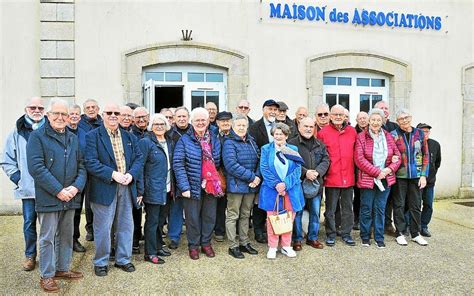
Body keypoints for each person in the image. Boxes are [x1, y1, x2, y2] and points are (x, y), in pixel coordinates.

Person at [26, 98, 87, 293]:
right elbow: (36, 168)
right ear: (48, 115)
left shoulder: (73, 138)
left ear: (69, 117)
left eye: (64, 114)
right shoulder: (37, 137)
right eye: (56, 114)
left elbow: (82, 166)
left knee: (67, 236)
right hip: (49, 197)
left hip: (70, 198)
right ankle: (47, 275)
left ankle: (62, 269)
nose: (60, 117)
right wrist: (58, 190)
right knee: (47, 238)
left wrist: (75, 188)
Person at [85, 103, 144, 276]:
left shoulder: (129, 137)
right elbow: (90, 162)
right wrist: (112, 174)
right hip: (104, 187)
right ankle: (101, 261)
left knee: (126, 225)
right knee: (103, 227)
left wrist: (131, 174)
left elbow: (139, 158)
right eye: (109, 112)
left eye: (116, 113)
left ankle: (123, 259)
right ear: (103, 115)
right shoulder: (92, 136)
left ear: (121, 116)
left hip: (126, 186)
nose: (113, 115)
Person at [1, 97, 46, 271]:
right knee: (29, 223)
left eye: (40, 108)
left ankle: (48, 255)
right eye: (33, 107)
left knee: (49, 225)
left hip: (49, 189)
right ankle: (30, 255)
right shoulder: (16, 132)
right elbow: (6, 159)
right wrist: (19, 178)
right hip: (28, 189)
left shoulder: (51, 129)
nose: (36, 110)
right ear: (26, 109)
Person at [173, 107, 223, 260]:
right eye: (197, 120)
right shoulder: (184, 140)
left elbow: (218, 161)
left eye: (203, 120)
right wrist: (184, 186)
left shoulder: (214, 138)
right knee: (192, 217)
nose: (200, 123)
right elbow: (178, 163)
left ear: (208, 121)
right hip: (192, 185)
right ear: (192, 122)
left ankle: (206, 243)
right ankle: (193, 246)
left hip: (210, 185)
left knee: (209, 216)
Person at [354, 108, 401, 249]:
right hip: (368, 179)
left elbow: (397, 157)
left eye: (378, 120)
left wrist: (388, 170)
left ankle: (379, 237)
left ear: (383, 122)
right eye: (373, 120)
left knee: (380, 208)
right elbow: (359, 159)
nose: (375, 122)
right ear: (369, 121)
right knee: (366, 208)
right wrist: (376, 172)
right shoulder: (361, 137)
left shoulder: (388, 136)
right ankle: (365, 237)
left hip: (385, 178)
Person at [259, 123, 305, 259]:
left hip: (290, 190)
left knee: (289, 218)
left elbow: (297, 169)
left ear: (286, 135)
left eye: (282, 134)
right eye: (276, 134)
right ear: (273, 135)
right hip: (272, 190)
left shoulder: (292, 149)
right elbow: (264, 169)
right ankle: (272, 247)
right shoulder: (266, 149)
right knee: (272, 218)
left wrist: (285, 185)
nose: (279, 136)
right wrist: (277, 185)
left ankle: (286, 246)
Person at [317, 104, 357, 247]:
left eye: (341, 115)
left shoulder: (352, 132)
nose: (338, 117)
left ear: (345, 116)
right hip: (331, 177)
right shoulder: (323, 133)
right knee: (330, 209)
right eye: (335, 115)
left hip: (348, 176)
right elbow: (320, 156)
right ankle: (331, 234)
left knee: (347, 208)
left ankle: (346, 233)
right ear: (330, 116)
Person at [222, 114, 261, 259]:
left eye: (244, 125)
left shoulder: (251, 141)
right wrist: (252, 177)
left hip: (251, 186)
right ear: (233, 126)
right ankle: (233, 246)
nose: (241, 127)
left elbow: (259, 159)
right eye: (238, 125)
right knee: (233, 215)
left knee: (246, 214)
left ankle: (244, 242)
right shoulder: (229, 142)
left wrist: (257, 177)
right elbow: (231, 165)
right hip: (237, 186)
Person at [138, 113, 174, 264]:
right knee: (152, 221)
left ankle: (159, 246)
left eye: (162, 124)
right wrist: (140, 190)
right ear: (151, 126)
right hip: (153, 188)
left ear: (166, 126)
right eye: (156, 124)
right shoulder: (145, 142)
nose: (159, 127)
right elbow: (139, 167)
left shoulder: (169, 141)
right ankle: (150, 252)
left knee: (160, 220)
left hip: (167, 188)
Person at [288, 117, 329, 250]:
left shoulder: (320, 144)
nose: (308, 129)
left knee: (315, 213)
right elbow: (290, 162)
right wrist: (305, 172)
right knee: (298, 213)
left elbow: (326, 160)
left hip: (316, 184)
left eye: (311, 127)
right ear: (299, 127)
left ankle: (313, 238)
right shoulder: (292, 144)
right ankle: (297, 239)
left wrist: (317, 172)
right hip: (298, 184)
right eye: (305, 126)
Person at [391, 109, 429, 246]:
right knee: (399, 204)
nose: (404, 120)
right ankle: (400, 233)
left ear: (411, 118)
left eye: (406, 117)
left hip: (416, 175)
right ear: (397, 122)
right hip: (400, 176)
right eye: (401, 119)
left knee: (415, 205)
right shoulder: (394, 135)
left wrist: (424, 175)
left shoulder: (419, 134)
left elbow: (426, 155)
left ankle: (415, 233)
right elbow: (390, 154)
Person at [248, 99, 280, 244]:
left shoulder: (280, 127)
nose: (272, 112)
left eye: (275, 109)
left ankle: (275, 230)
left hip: (277, 171)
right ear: (263, 110)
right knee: (260, 202)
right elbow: (253, 150)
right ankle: (259, 231)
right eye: (270, 109)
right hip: (261, 170)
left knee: (274, 201)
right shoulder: (254, 127)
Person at [165, 106, 190, 249]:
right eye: (178, 116)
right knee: (175, 207)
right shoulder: (169, 134)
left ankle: (195, 235)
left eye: (184, 116)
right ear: (174, 119)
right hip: (175, 176)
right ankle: (174, 237)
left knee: (193, 209)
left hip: (192, 175)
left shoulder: (195, 132)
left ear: (188, 118)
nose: (181, 119)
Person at [78, 99, 102, 242]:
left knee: (99, 199)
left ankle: (100, 228)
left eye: (93, 107)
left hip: (100, 166)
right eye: (88, 107)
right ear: (84, 109)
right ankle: (90, 229)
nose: (91, 109)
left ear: (98, 109)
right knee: (88, 201)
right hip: (85, 167)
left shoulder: (103, 122)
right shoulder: (79, 124)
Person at [67, 104, 87, 253]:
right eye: (71, 113)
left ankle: (74, 239)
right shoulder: (61, 132)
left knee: (77, 211)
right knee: (66, 212)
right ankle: (63, 241)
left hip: (82, 177)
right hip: (66, 178)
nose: (74, 116)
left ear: (80, 117)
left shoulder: (85, 133)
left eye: (77, 114)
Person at [416, 123, 441, 237]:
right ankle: (409, 226)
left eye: (427, 131)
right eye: (422, 131)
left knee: (428, 205)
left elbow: (437, 162)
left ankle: (424, 226)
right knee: (413, 205)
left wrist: (431, 175)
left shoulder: (435, 144)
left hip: (429, 182)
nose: (425, 133)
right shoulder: (414, 144)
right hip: (416, 181)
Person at [130, 106, 149, 253]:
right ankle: (135, 241)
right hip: (137, 177)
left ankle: (148, 238)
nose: (141, 120)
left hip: (151, 178)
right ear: (133, 119)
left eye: (144, 117)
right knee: (136, 211)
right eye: (138, 117)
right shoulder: (131, 135)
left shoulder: (151, 133)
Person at [214, 111, 233, 242]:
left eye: (228, 120)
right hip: (219, 174)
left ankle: (234, 230)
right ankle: (219, 230)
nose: (225, 123)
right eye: (222, 121)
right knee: (220, 204)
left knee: (233, 204)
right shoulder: (213, 136)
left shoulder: (237, 134)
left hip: (233, 174)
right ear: (217, 123)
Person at [353, 111, 369, 230]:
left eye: (365, 118)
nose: (363, 120)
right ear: (357, 120)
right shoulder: (353, 132)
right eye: (360, 118)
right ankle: (356, 219)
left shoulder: (373, 132)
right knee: (357, 196)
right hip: (355, 170)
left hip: (369, 171)